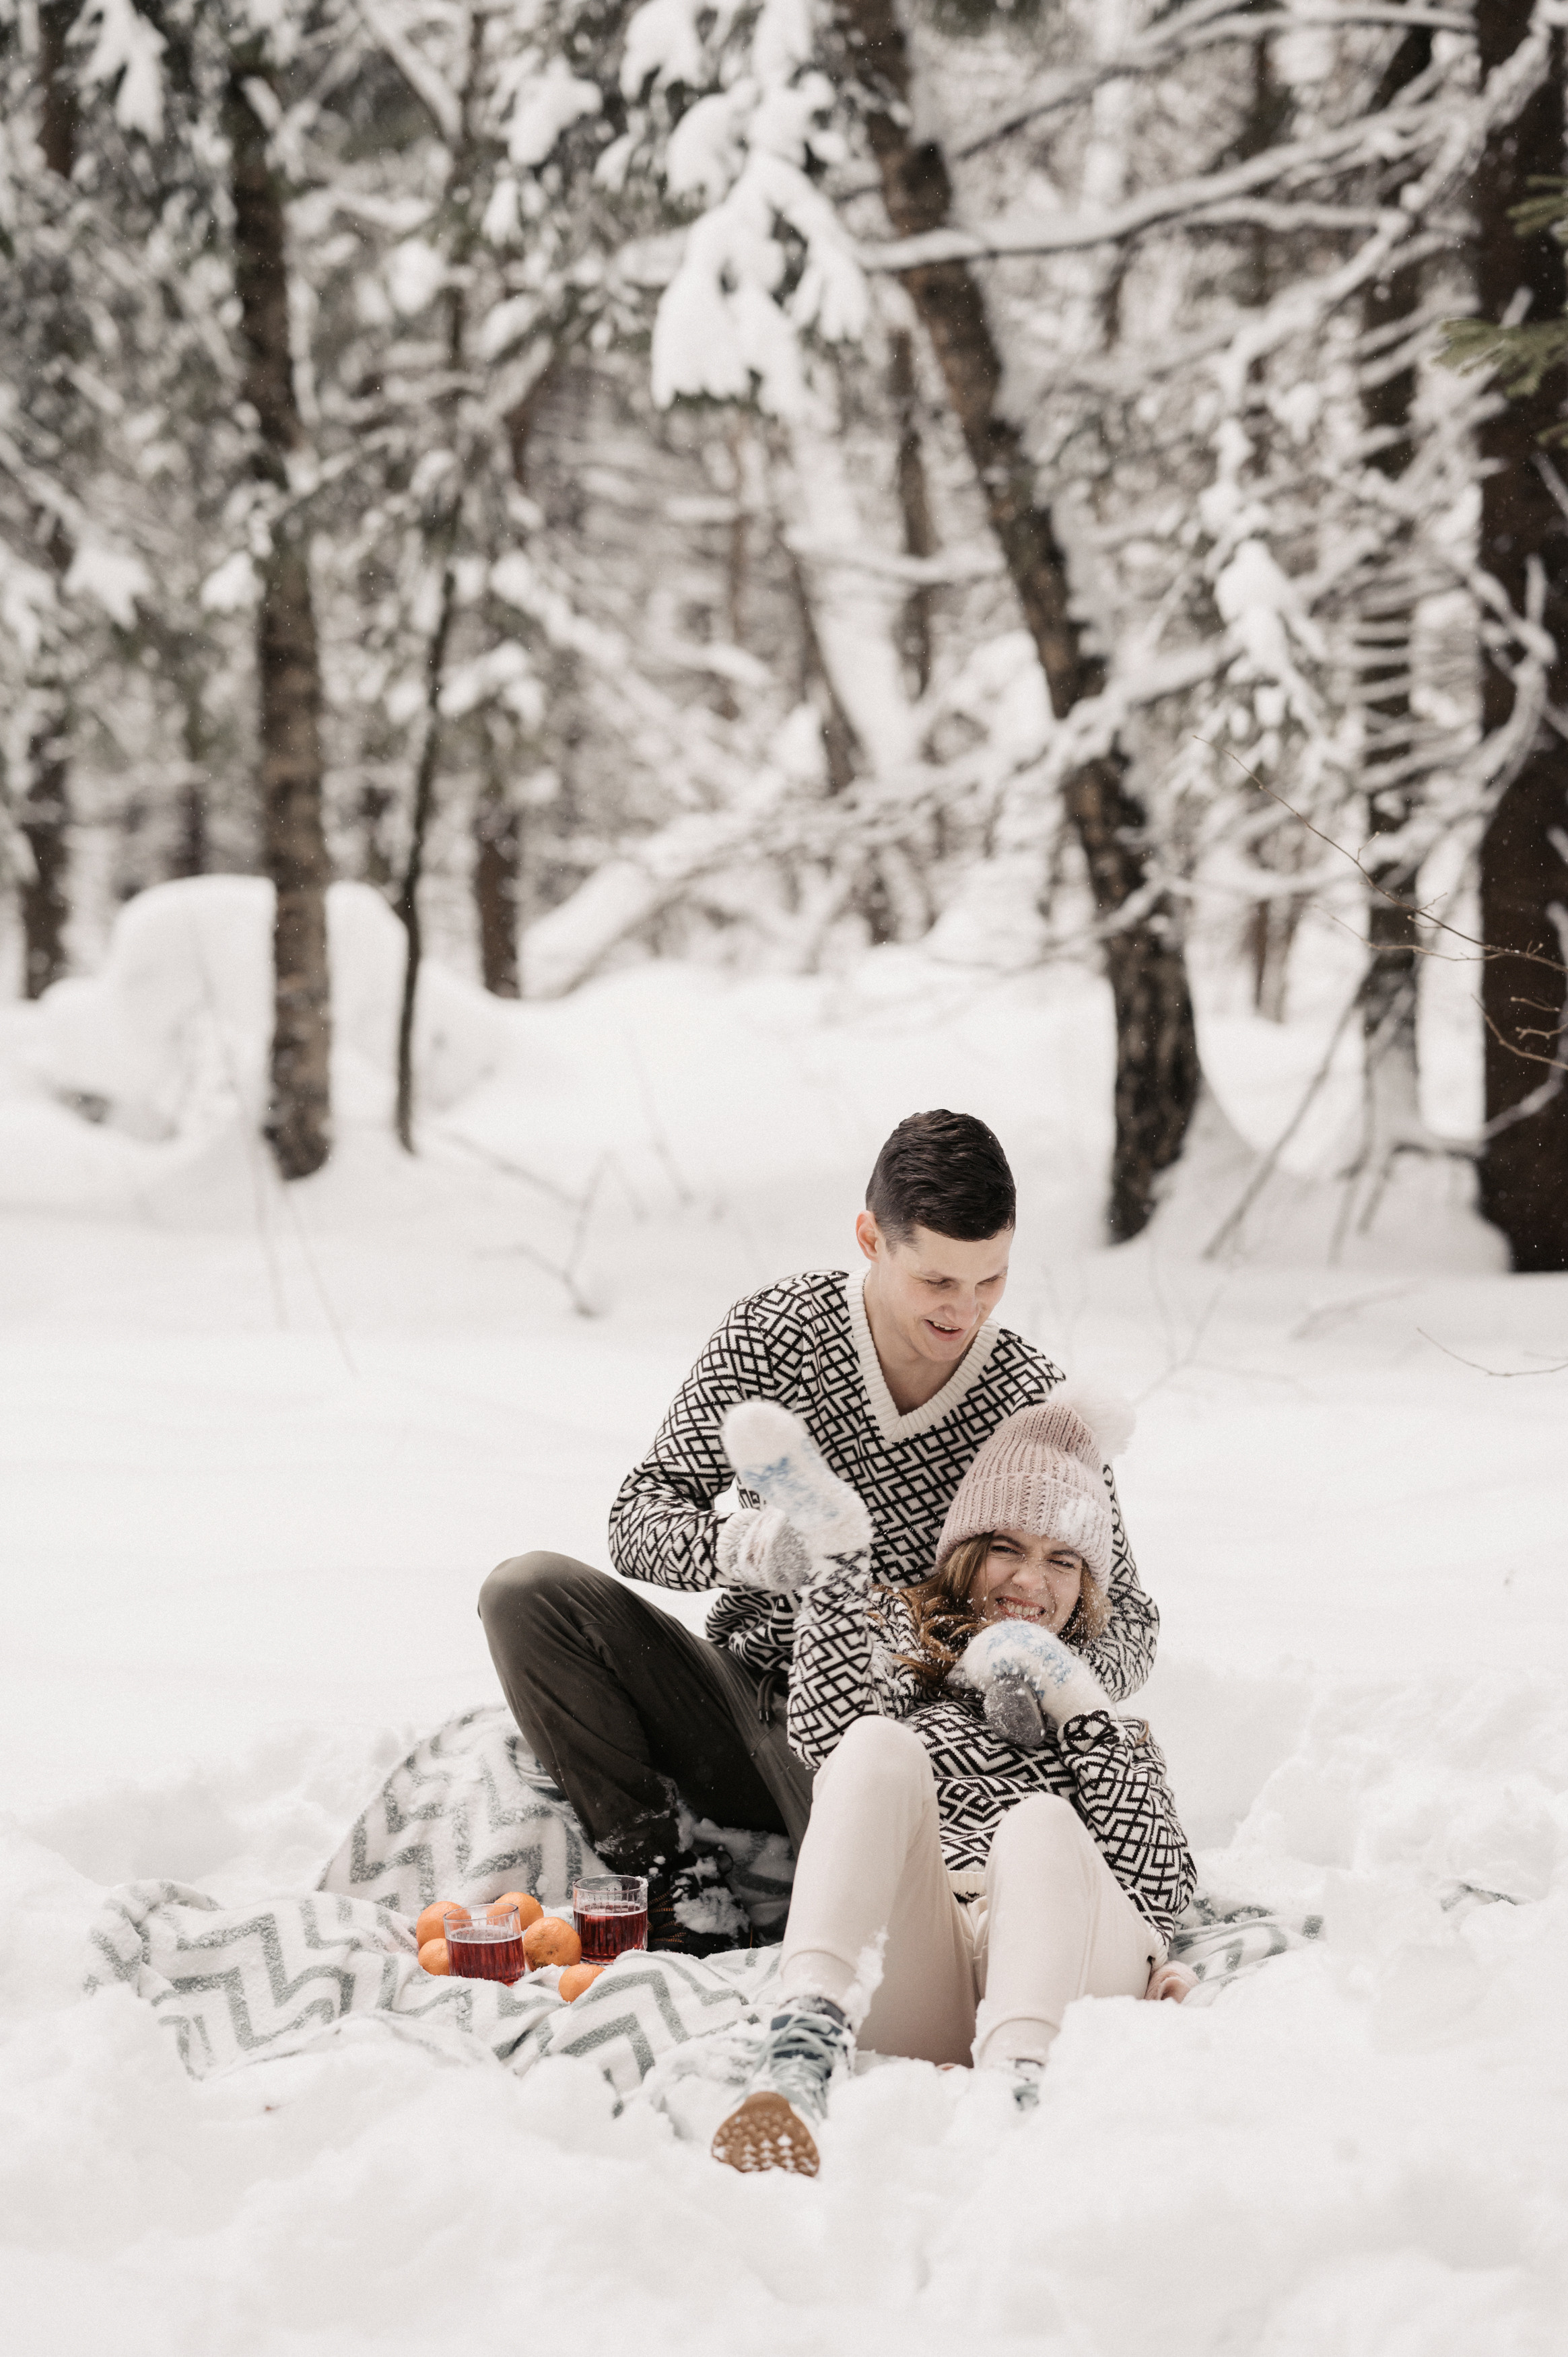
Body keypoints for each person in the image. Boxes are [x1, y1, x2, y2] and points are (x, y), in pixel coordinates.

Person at [479, 1110, 1161, 1953]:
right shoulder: (778, 1333)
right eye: (938, 1280)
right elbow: (640, 1518)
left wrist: (1026, 1673)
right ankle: (673, 1888)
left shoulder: (1031, 1398)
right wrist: (759, 1550)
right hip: (740, 1695)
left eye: (991, 1280)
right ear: (872, 1237)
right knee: (528, 1592)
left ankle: (831, 1895)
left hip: (900, 1737)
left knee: (878, 1775)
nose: (966, 1309)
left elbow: (1127, 1618)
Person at [708, 1393, 1196, 2176]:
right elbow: (828, 1748)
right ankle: (801, 2048)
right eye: (1007, 1546)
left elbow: (1159, 1890)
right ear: (965, 1551)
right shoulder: (905, 1658)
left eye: (1063, 1559)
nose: (1031, 1580)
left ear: (1087, 1583)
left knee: (1037, 1820)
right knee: (870, 1742)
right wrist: (838, 1579)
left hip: (1062, 1961)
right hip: (926, 1956)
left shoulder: (1109, 1724)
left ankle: (1017, 2091)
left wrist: (1074, 1705)